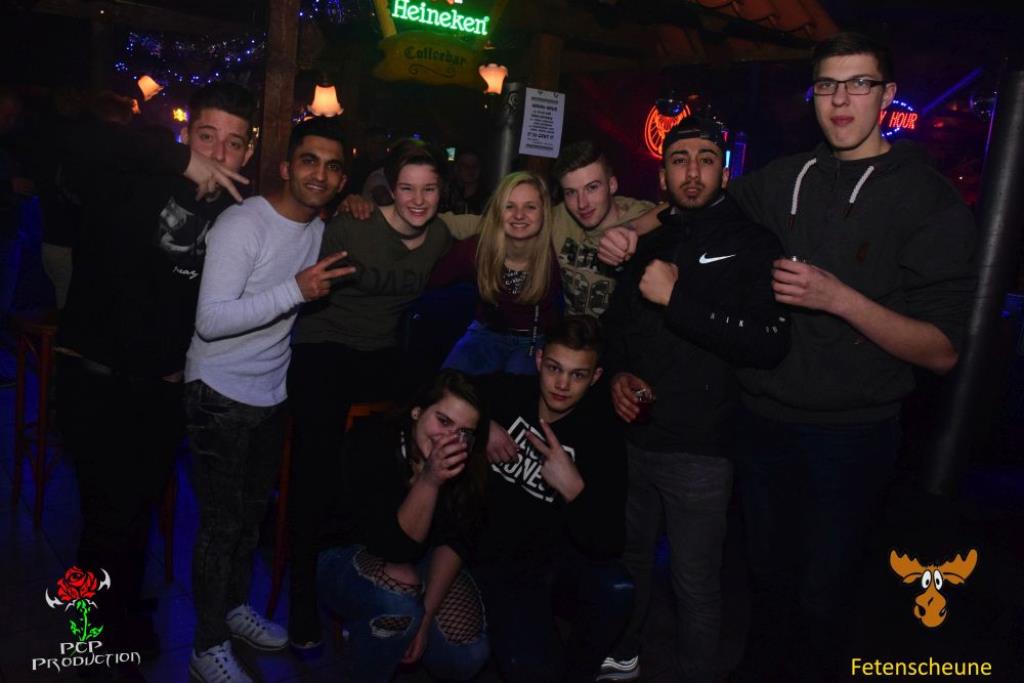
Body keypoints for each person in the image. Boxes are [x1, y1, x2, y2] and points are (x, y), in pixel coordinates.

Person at [598, 33, 976, 682]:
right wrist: (631, 230)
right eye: (828, 85)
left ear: (886, 95)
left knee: (825, 594)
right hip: (763, 420)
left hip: (851, 434)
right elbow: (698, 202)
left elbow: (942, 352)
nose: (841, 100)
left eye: (859, 84)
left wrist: (838, 299)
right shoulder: (788, 176)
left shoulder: (926, 197)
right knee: (766, 585)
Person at [55, 81, 252, 656]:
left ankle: (123, 612)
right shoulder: (133, 176)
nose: (219, 154)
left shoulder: (237, 216)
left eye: (233, 143)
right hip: (96, 379)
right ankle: (91, 640)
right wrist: (179, 160)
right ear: (186, 136)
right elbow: (79, 145)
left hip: (162, 391)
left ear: (248, 153)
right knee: (105, 519)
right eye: (206, 137)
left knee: (139, 512)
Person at [598, 116, 789, 683]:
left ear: (724, 174)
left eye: (706, 160)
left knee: (695, 581)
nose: (692, 172)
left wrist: (677, 298)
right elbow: (617, 328)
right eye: (680, 160)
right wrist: (617, 375)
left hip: (702, 447)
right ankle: (623, 654)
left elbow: (770, 342)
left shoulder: (751, 243)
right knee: (630, 561)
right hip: (635, 437)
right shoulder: (647, 241)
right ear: (663, 176)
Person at [184, 116, 352, 683]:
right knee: (220, 526)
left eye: (332, 167)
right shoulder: (243, 222)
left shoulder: (318, 227)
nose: (319, 174)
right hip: (218, 392)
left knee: (251, 519)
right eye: (309, 160)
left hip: (270, 393)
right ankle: (206, 645)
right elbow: (210, 321)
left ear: (341, 181)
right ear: (285, 167)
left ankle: (233, 608)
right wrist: (295, 291)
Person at [286, 138, 454, 649]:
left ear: (441, 192)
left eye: (428, 190)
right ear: (390, 189)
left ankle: (384, 555)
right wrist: (348, 202)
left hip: (380, 352)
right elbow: (310, 268)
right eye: (407, 189)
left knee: (428, 416)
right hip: (325, 343)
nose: (418, 200)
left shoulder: (440, 236)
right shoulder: (354, 222)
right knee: (316, 461)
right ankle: (301, 600)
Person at [472, 315, 632, 682]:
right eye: (555, 368)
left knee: (618, 589)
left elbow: (610, 543)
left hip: (554, 561)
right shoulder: (508, 393)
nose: (562, 384)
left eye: (578, 375)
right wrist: (481, 424)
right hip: (497, 561)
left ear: (595, 377)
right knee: (530, 667)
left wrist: (574, 490)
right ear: (539, 359)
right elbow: (439, 388)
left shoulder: (601, 435)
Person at [316, 370, 490, 682]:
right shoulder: (372, 440)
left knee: (467, 654)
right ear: (417, 411)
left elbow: (457, 540)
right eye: (443, 421)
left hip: (418, 560)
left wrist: (424, 619)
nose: (449, 440)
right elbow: (393, 548)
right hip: (345, 554)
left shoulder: (467, 463)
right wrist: (430, 480)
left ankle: (389, 632)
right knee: (398, 600)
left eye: (464, 432)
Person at [441, 140, 656, 318]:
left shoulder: (643, 216)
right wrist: (425, 216)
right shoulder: (560, 218)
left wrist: (633, 228)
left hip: (624, 343)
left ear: (612, 185)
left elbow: (672, 211)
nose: (582, 204)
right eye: (571, 192)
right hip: (572, 340)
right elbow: (485, 223)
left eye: (592, 188)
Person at [431, 170, 562, 375]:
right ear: (498, 212)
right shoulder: (477, 249)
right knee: (447, 384)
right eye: (509, 206)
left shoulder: (557, 249)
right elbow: (432, 278)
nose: (519, 215)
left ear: (544, 212)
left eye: (530, 207)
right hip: (486, 332)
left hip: (533, 339)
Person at [441, 147, 486, 214]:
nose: (471, 169)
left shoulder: (487, 199)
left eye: (475, 165)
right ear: (456, 168)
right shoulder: (447, 196)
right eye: (465, 165)